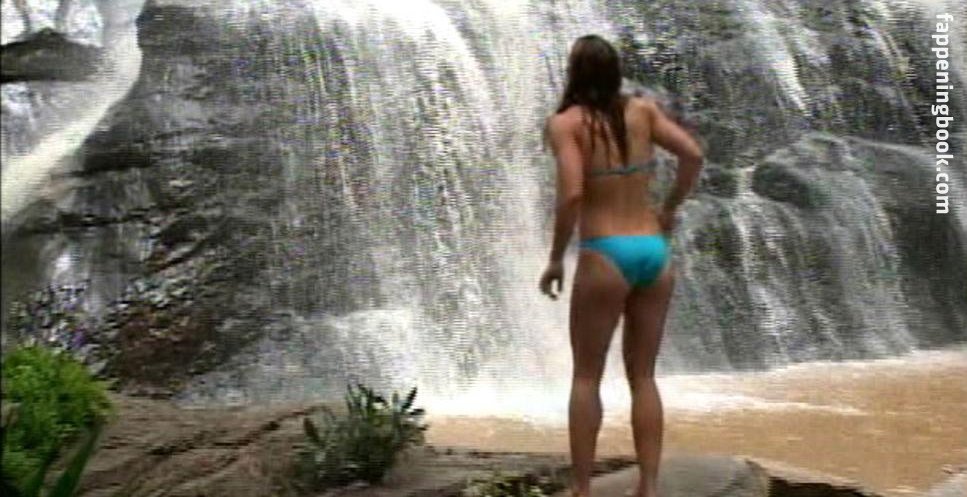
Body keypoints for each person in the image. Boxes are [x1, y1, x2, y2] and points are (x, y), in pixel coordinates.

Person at [539, 34, 704, 497]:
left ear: (573, 73)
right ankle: (648, 486)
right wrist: (669, 208)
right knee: (644, 377)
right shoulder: (643, 111)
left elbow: (572, 194)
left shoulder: (566, 124)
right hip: (652, 250)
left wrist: (555, 259)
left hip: (605, 253)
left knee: (586, 377)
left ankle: (582, 489)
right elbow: (693, 155)